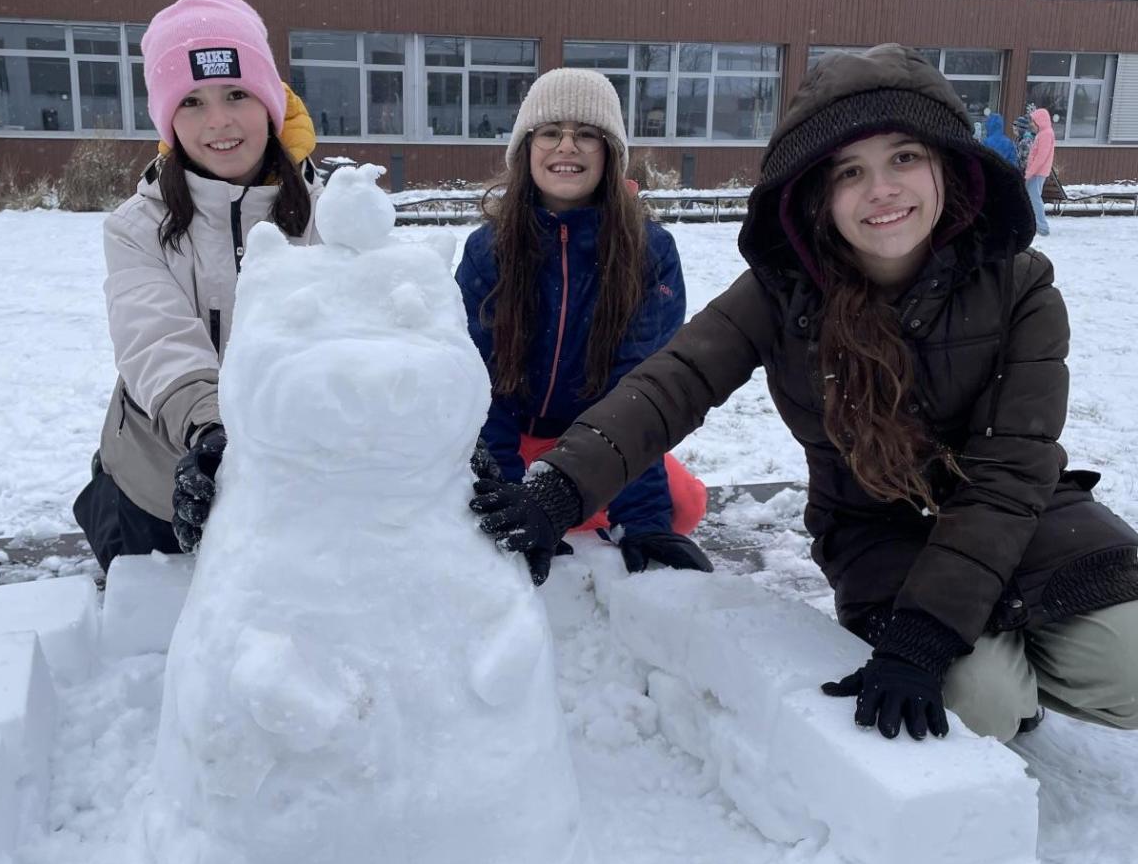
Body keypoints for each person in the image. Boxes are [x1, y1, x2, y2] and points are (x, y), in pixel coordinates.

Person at [472, 46, 1138, 744]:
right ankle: (1010, 682)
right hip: (878, 531)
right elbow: (671, 384)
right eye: (850, 171)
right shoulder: (783, 291)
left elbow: (1010, 473)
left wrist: (926, 634)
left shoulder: (1020, 285)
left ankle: (1013, 647)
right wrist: (558, 490)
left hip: (1017, 518)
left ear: (947, 164)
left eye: (904, 157)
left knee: (1126, 666)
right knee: (982, 701)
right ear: (817, 193)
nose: (881, 189)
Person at [74, 0, 323, 570]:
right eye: (191, 101)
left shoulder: (329, 214)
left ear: (270, 102)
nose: (218, 121)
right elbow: (155, 337)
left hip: (295, 489)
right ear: (168, 119)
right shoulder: (137, 226)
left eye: (237, 93)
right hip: (159, 490)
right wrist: (209, 429)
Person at [457, 67, 710, 575]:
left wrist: (643, 520)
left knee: (683, 507)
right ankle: (574, 509)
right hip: (509, 434)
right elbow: (479, 383)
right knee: (466, 514)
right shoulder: (488, 249)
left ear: (610, 152)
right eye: (550, 132)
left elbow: (640, 389)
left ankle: (588, 506)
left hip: (595, 440)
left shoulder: (651, 251)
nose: (567, 146)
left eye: (587, 134)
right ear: (526, 149)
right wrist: (514, 497)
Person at [1025, 106, 1056, 237]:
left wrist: (1030, 172)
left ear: (1040, 121)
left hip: (1038, 173)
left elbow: (1041, 157)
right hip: (1035, 172)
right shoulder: (1042, 134)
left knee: (1034, 198)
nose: (1031, 124)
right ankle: (1034, 224)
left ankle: (1042, 227)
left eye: (1033, 121)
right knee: (1031, 198)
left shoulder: (1046, 134)